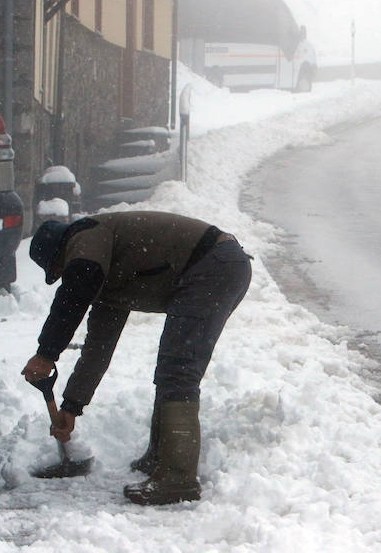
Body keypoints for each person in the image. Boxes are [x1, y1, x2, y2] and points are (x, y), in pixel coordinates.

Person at [21, 211, 252, 505]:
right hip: (214, 268)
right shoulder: (109, 272)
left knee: (178, 370)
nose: (65, 275)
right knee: (172, 367)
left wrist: (45, 353)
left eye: (60, 269)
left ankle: (177, 478)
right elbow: (97, 349)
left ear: (62, 253)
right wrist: (71, 406)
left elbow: (76, 289)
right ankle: (161, 457)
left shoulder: (87, 237)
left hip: (214, 266)